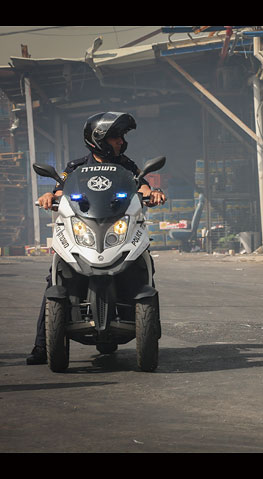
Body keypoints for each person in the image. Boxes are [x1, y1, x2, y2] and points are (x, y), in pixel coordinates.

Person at [26, 112, 166, 365]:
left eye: (121, 137)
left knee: (143, 266)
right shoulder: (76, 167)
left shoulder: (127, 165)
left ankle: (150, 328)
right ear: (99, 139)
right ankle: (41, 345)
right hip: (85, 230)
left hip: (117, 230)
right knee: (55, 279)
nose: (120, 142)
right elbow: (61, 188)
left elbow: (142, 185)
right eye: (115, 137)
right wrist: (50, 196)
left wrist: (153, 193)